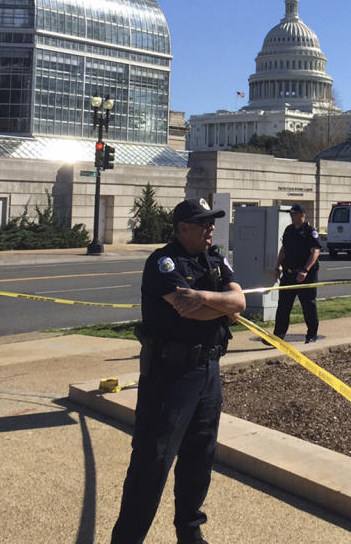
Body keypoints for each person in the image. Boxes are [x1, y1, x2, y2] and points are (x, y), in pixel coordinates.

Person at [110, 198, 245, 544]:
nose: (210, 229)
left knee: (200, 457)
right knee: (152, 464)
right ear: (183, 228)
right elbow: (191, 313)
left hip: (208, 371)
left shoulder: (213, 259)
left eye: (211, 222)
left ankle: (190, 533)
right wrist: (220, 307)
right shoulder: (163, 262)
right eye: (202, 224)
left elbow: (240, 303)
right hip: (170, 376)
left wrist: (203, 297)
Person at [273, 203, 323, 344]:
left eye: (294, 214)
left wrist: (305, 270)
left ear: (302, 215)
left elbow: (315, 252)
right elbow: (283, 250)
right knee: (283, 306)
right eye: (291, 214)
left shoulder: (310, 231)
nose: (292, 217)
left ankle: (311, 335)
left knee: (308, 306)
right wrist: (277, 268)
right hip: (289, 274)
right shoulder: (289, 230)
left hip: (306, 276)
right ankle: (278, 336)